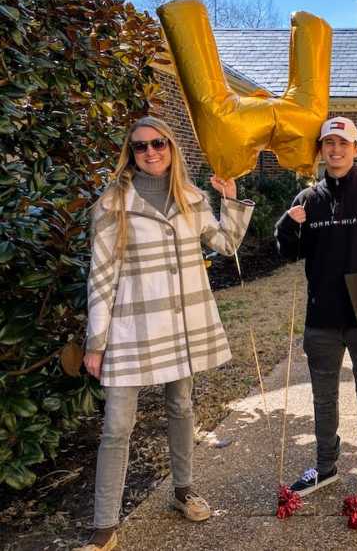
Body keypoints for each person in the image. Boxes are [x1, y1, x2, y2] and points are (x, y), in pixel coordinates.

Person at [78, 117, 254, 551]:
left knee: (181, 406)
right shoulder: (112, 205)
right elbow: (101, 277)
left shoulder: (190, 197)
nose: (151, 152)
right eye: (141, 147)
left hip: (181, 324)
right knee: (117, 426)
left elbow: (225, 243)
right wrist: (95, 342)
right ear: (130, 154)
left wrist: (229, 199)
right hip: (131, 329)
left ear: (171, 148)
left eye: (159, 144)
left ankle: (184, 491)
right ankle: (104, 528)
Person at [275, 116, 357, 501]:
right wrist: (287, 223)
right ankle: (326, 466)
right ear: (321, 151)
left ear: (356, 149)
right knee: (323, 395)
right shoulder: (307, 199)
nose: (335, 150)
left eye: (343, 143)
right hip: (323, 310)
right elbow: (288, 252)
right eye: (328, 144)